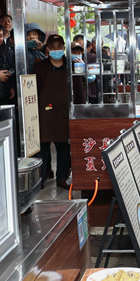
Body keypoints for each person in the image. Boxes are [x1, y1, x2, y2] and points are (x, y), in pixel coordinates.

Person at [34, 35, 85, 188]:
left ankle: (62, 178)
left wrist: (79, 110)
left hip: (65, 112)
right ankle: (40, 179)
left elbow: (78, 90)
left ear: (64, 47)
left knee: (64, 148)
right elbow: (33, 89)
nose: (56, 49)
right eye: (52, 46)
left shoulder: (71, 66)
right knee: (41, 149)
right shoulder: (39, 67)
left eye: (59, 46)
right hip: (44, 113)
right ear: (47, 49)